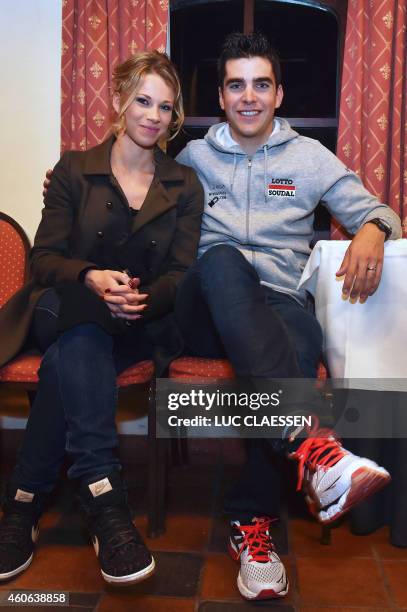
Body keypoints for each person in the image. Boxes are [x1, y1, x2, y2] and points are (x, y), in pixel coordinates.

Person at [173, 32, 402, 601]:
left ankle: (253, 528)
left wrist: (373, 229)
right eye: (235, 85)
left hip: (278, 302)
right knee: (223, 259)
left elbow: (378, 209)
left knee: (300, 341)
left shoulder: (308, 158)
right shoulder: (192, 157)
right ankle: (316, 453)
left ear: (278, 94)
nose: (248, 97)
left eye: (260, 84)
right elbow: (136, 203)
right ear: (222, 96)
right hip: (206, 304)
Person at [0, 51, 203, 585]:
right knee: (83, 319)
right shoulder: (72, 169)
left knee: (73, 355)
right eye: (142, 100)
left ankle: (22, 505)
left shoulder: (184, 184)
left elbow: (182, 274)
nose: (153, 115)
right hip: (60, 304)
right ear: (118, 100)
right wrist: (91, 276)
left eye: (165, 106)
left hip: (137, 324)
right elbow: (42, 261)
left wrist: (144, 300)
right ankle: (105, 498)